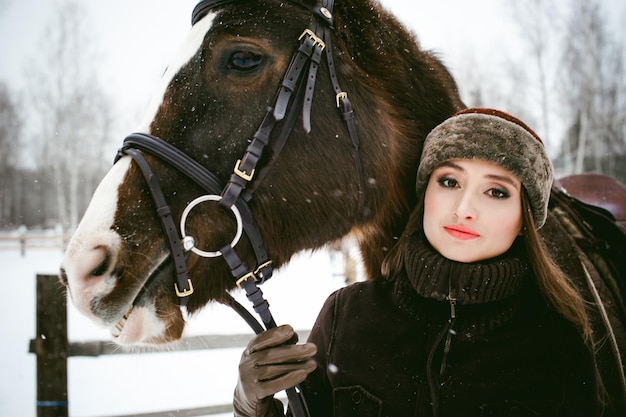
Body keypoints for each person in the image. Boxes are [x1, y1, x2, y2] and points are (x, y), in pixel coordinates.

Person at [233, 108, 601, 417]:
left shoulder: (557, 343)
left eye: (496, 191)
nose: (463, 210)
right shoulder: (348, 316)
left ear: (525, 221)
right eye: (450, 182)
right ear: (426, 193)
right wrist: (251, 406)